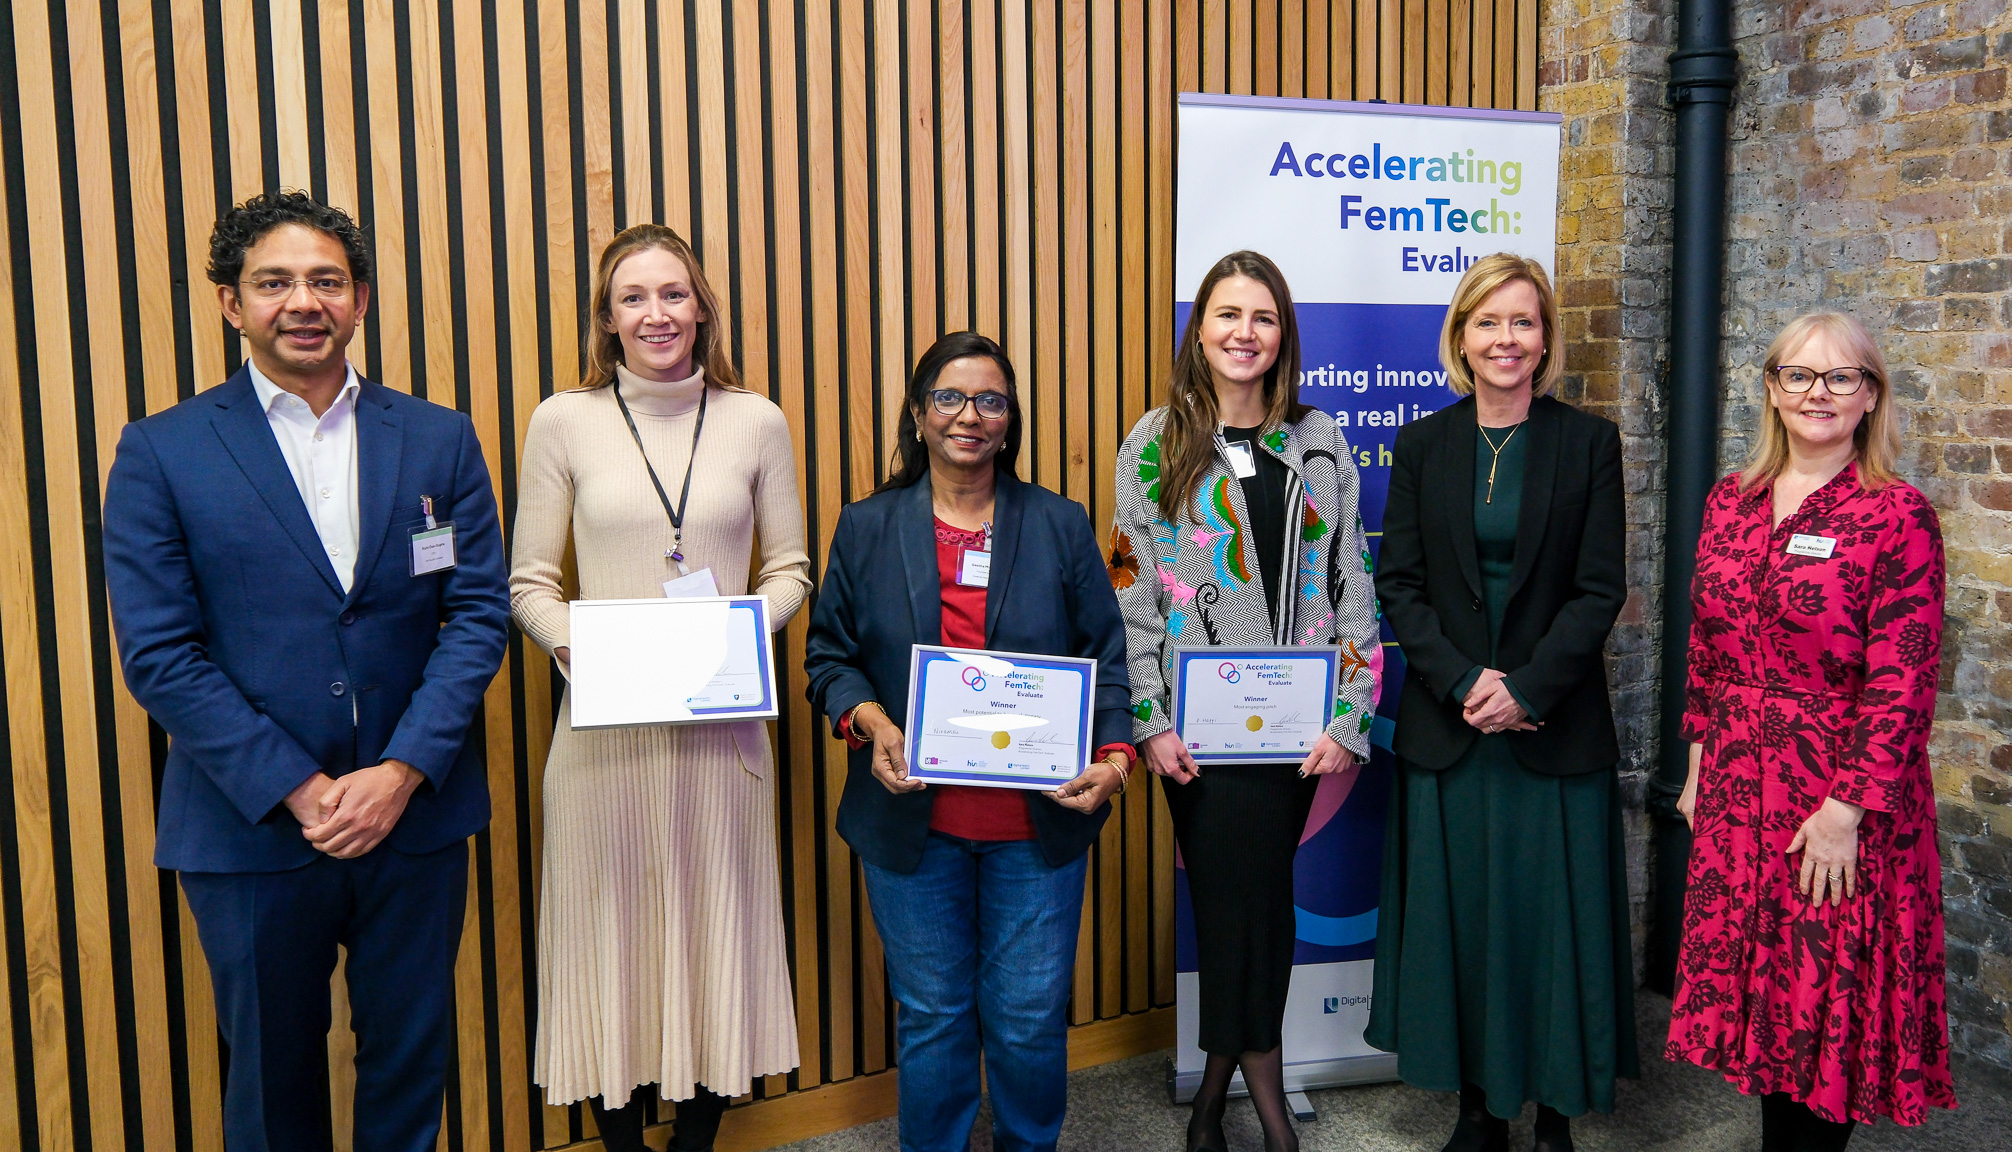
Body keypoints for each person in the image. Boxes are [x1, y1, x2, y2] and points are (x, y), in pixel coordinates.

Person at [101, 190, 509, 1152]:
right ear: (229, 303)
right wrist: (305, 787)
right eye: (273, 281)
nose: (303, 301)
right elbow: (160, 653)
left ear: (360, 298)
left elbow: (476, 612)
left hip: (415, 818)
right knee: (273, 1083)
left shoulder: (437, 438)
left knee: (411, 1064)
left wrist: (400, 773)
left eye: (326, 280)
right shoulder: (162, 451)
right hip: (250, 832)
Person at [509, 224, 809, 1151]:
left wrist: (721, 641)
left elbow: (792, 568)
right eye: (633, 298)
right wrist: (591, 655)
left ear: (703, 306)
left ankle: (696, 1141)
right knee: (612, 947)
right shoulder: (563, 420)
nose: (656, 314)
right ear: (607, 319)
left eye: (673, 294)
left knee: (715, 935)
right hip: (605, 739)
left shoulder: (756, 419)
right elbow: (529, 583)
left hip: (719, 738)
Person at [805, 332, 1135, 1152]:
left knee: (1026, 1024)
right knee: (934, 1018)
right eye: (949, 398)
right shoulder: (868, 525)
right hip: (912, 826)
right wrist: (871, 722)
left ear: (1009, 417)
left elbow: (1107, 657)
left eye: (990, 399)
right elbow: (829, 658)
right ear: (919, 414)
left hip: (1035, 824)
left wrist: (1117, 758)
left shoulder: (1058, 524)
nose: (969, 416)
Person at [1365, 253, 1634, 1152]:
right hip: (1452, 729)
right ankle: (1478, 1109)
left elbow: (1599, 591)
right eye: (1488, 322)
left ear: (1545, 337)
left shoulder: (1588, 443)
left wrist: (1523, 689)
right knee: (1467, 929)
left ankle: (1554, 1111)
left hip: (1551, 729)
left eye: (1523, 322)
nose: (1506, 340)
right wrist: (1463, 681)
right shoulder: (1424, 443)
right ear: (1461, 337)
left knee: (1550, 929)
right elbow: (1398, 584)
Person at [1111, 250, 1378, 1152]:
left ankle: (1216, 1091)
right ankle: (1265, 1100)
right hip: (1200, 734)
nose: (1244, 332)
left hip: (1299, 729)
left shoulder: (1319, 439)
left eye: (1262, 317)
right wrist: (1148, 721)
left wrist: (1350, 715)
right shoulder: (1154, 444)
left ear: (1281, 334)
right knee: (1235, 902)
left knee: (1261, 898)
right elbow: (1132, 593)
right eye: (1227, 315)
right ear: (1201, 330)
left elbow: (1353, 583)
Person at [1668, 312, 1952, 1150]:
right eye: (1799, 375)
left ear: (1871, 397)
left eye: (1841, 378)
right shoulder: (1732, 498)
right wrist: (1694, 766)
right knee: (1764, 1016)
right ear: (1771, 387)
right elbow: (1706, 648)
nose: (1817, 394)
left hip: (1831, 800)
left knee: (1819, 1011)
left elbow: (1904, 682)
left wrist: (1846, 812)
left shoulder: (1897, 515)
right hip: (1736, 780)